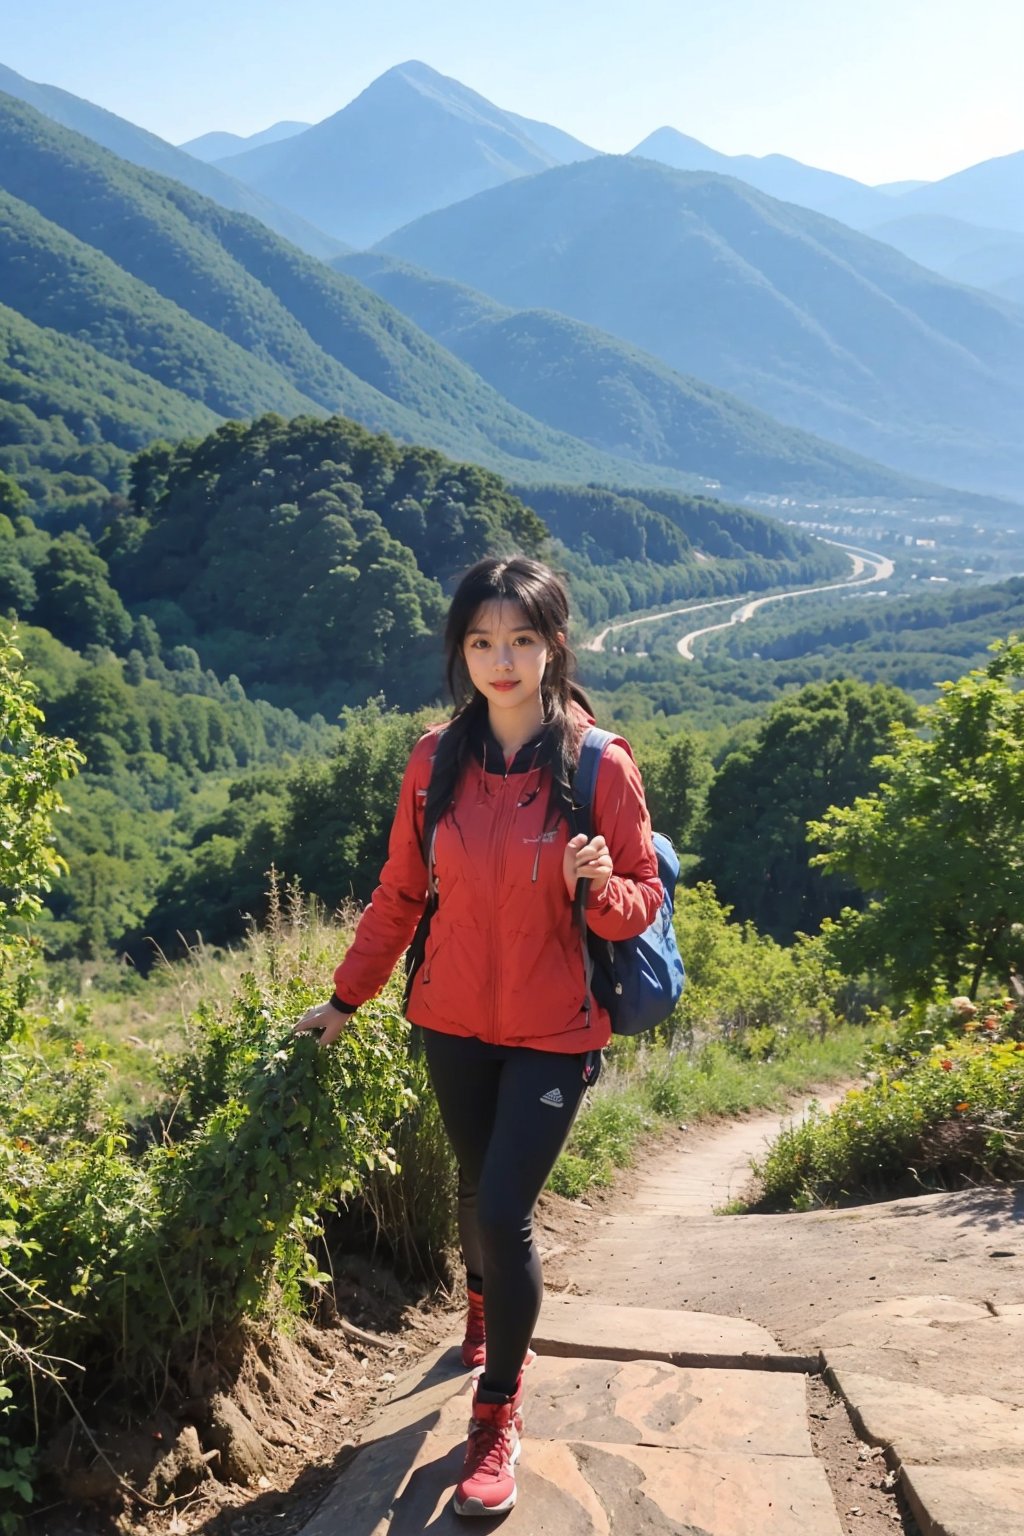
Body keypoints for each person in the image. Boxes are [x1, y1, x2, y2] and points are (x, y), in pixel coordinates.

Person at [293, 555, 661, 1517]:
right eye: (483, 641)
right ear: (461, 650)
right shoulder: (434, 761)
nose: (504, 660)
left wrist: (597, 884)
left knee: (504, 1212)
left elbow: (639, 908)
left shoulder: (597, 765)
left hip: (554, 1029)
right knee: (471, 1190)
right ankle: (487, 1303)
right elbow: (401, 894)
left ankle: (496, 1409)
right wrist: (346, 998)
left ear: (554, 647)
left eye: (523, 640)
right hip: (451, 1020)